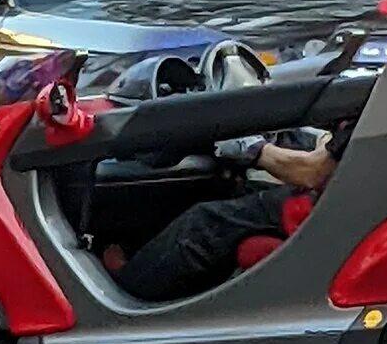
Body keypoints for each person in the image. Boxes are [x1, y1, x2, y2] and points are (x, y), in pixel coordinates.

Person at [111, 126, 352, 301]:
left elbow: (311, 172)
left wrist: (253, 148)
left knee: (205, 222)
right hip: (335, 196)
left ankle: (130, 288)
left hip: (328, 207)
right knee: (229, 193)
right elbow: (329, 142)